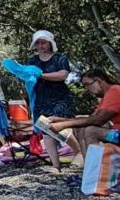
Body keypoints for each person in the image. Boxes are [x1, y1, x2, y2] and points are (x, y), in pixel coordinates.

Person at [27, 30, 79, 171]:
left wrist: (40, 75)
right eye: (38, 43)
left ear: (50, 43)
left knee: (60, 128)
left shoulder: (60, 57)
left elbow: (62, 75)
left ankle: (80, 152)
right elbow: (27, 77)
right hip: (41, 100)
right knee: (46, 132)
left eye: (44, 42)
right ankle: (56, 166)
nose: (41, 45)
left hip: (60, 99)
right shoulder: (32, 61)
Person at [48, 68, 120, 163]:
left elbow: (99, 120)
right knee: (81, 128)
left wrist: (63, 125)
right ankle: (88, 169)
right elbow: (91, 118)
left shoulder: (115, 90)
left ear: (98, 81)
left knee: (91, 131)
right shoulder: (106, 97)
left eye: (87, 84)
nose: (86, 89)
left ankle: (94, 172)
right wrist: (60, 120)